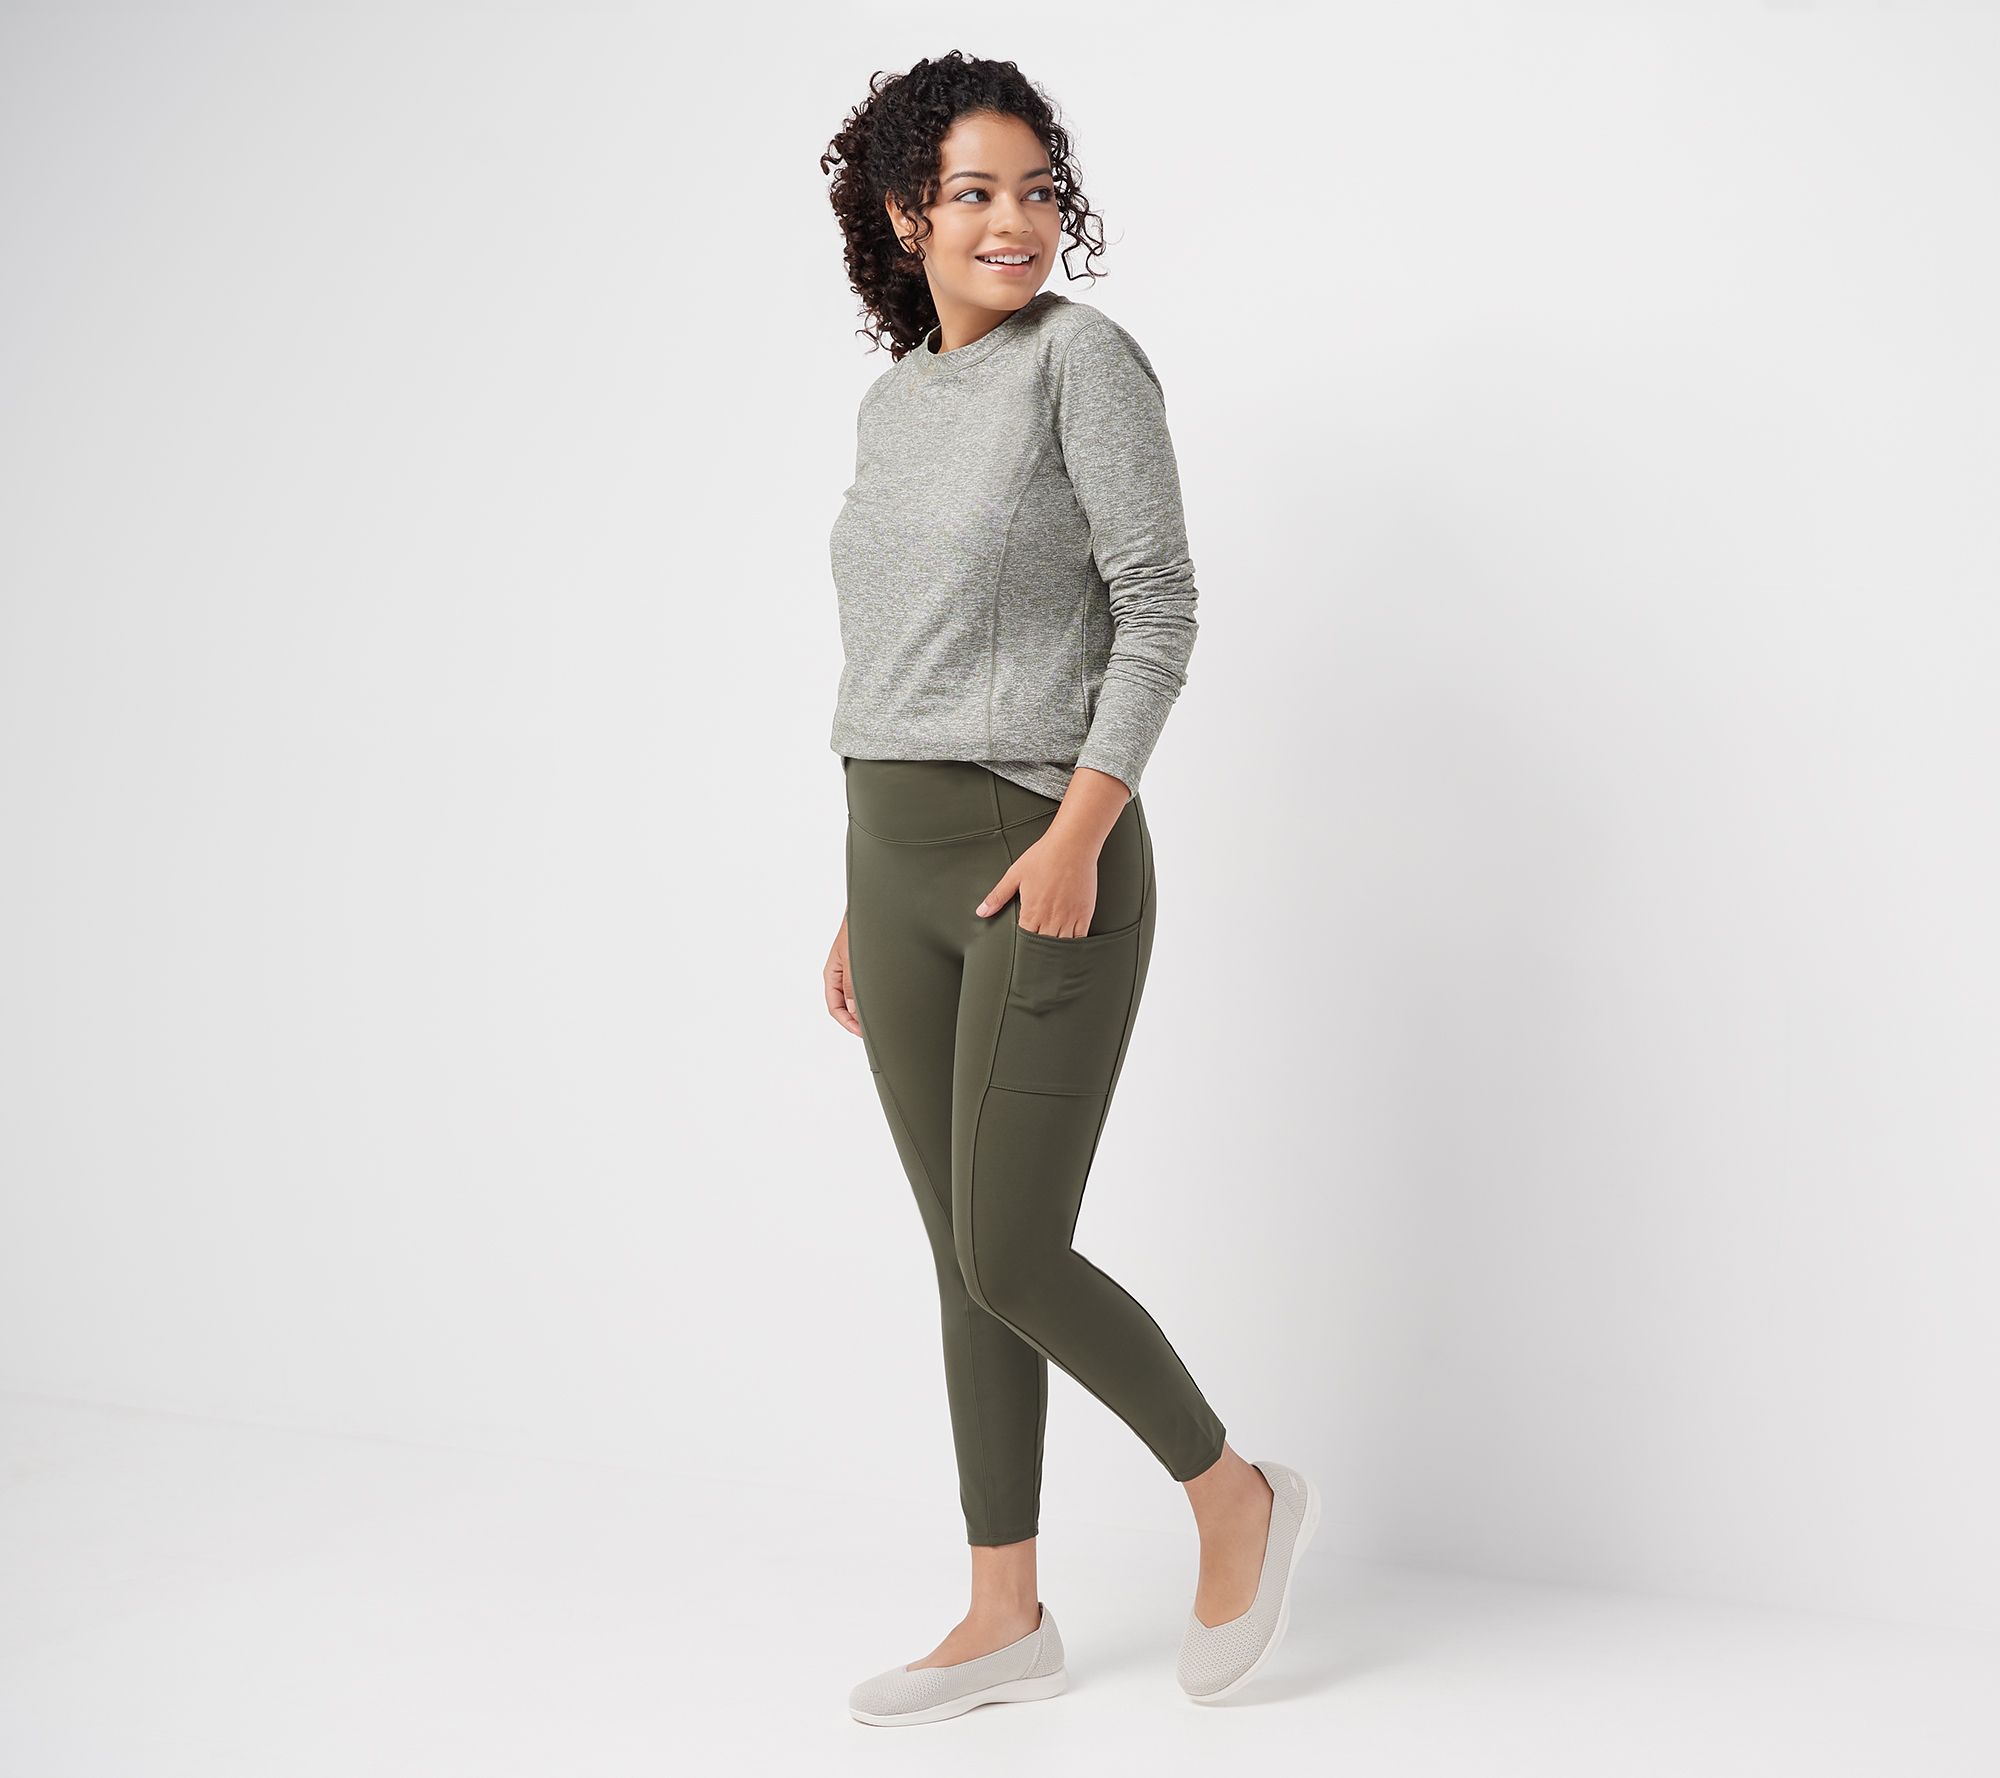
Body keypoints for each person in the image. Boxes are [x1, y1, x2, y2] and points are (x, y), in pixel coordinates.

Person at [818, 53, 1317, 1724]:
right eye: (973, 192)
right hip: (890, 852)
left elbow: (1159, 606)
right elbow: (897, 655)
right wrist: (858, 890)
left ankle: (1231, 1490)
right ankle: (1003, 1614)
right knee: (962, 1252)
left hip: (1048, 847)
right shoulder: (895, 404)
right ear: (905, 215)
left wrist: (1080, 831)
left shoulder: (1082, 363)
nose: (1014, 221)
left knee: (1014, 1247)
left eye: (1037, 190)